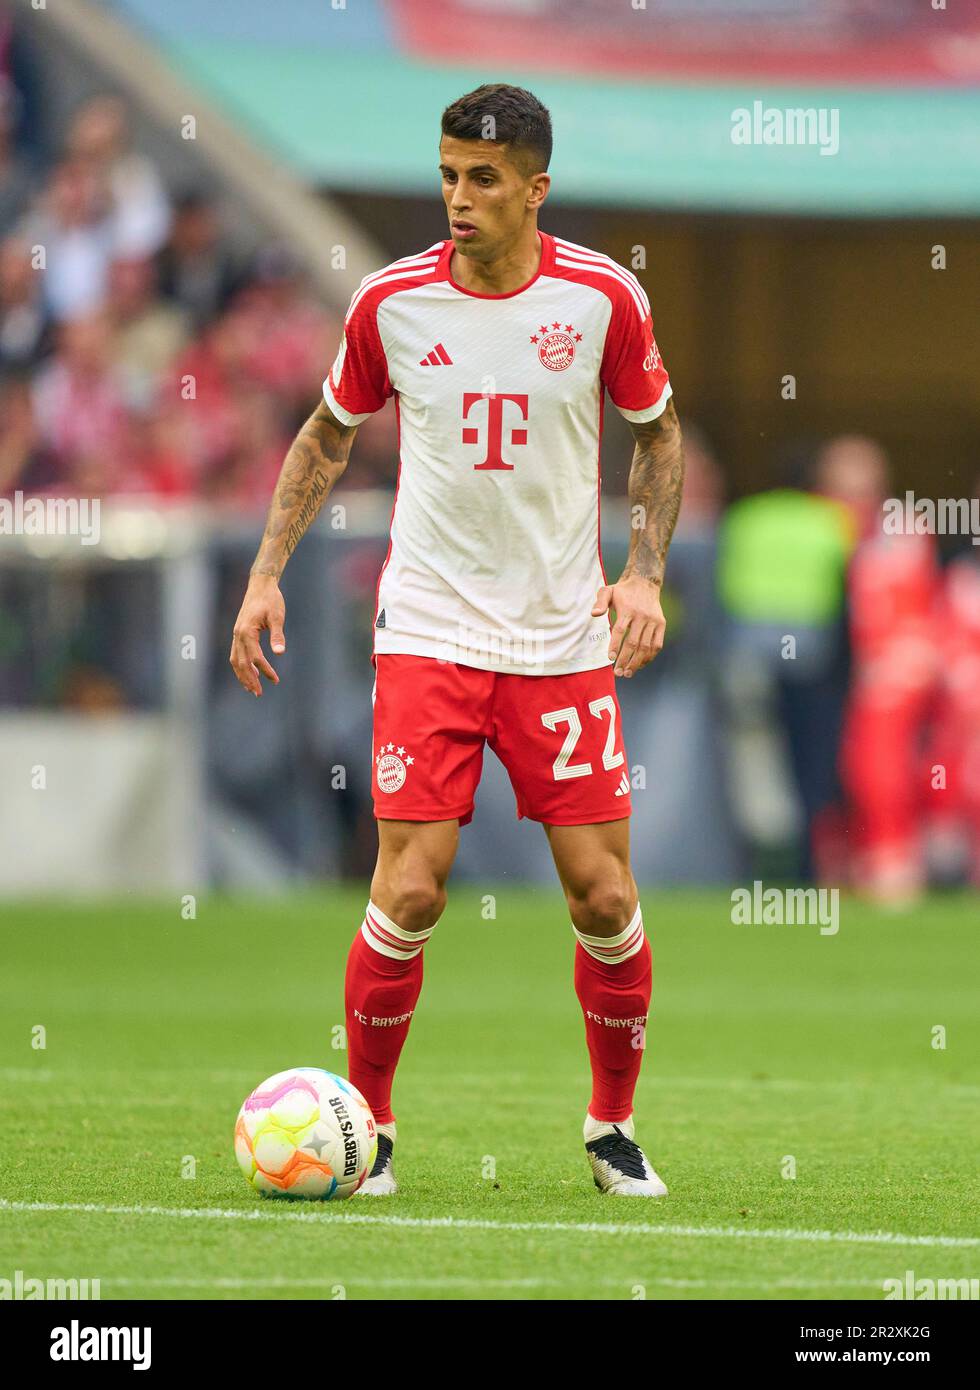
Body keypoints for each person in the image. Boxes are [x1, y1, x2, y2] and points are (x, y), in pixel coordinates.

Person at [229, 85, 684, 1198]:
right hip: (428, 626)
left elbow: (657, 434)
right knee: (413, 887)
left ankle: (610, 1128)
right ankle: (368, 1129)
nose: (457, 198)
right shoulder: (389, 303)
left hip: (558, 636)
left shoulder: (601, 299)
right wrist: (262, 575)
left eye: (483, 179)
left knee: (605, 898)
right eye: (446, 174)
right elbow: (326, 435)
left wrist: (643, 573)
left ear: (536, 188)